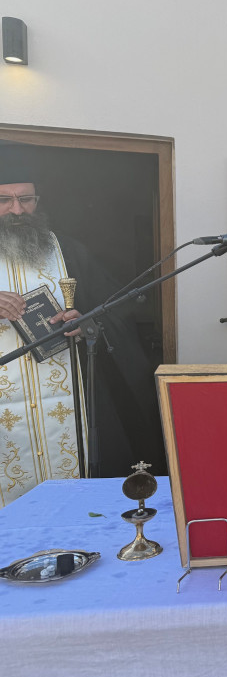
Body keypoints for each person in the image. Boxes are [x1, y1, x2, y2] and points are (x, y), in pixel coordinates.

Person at [0, 178, 162, 507]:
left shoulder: (68, 251)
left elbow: (115, 310)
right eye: (5, 200)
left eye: (25, 199)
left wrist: (88, 322)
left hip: (71, 402)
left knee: (78, 501)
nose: (17, 210)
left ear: (37, 201)